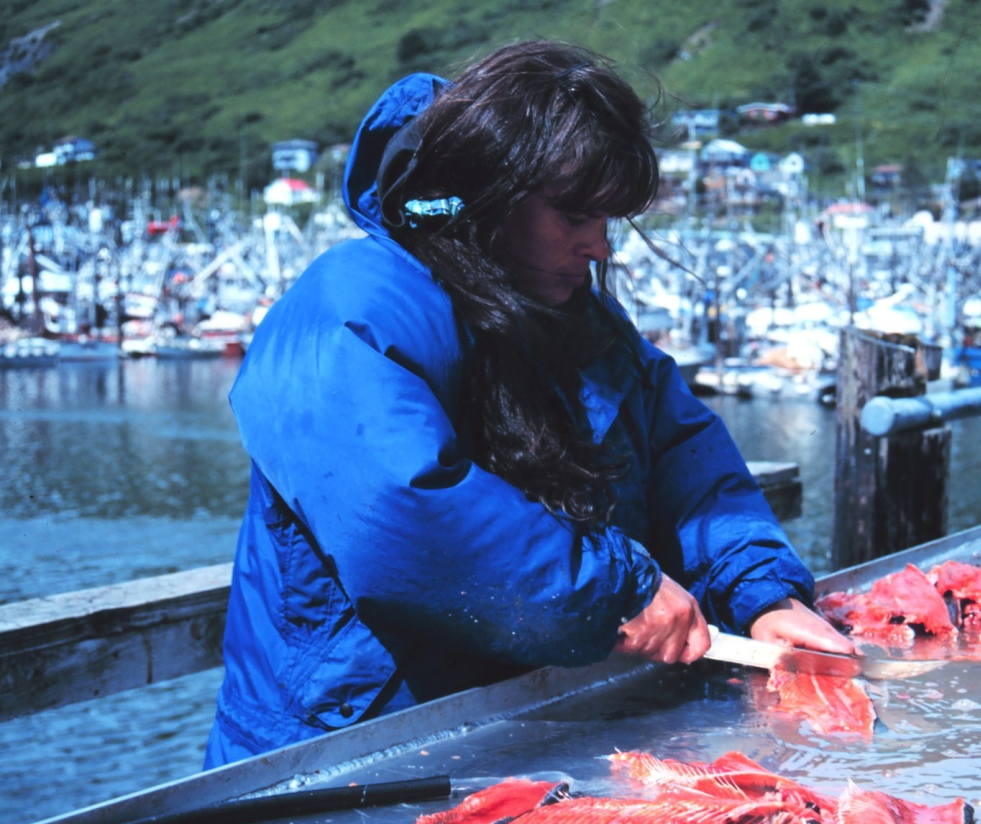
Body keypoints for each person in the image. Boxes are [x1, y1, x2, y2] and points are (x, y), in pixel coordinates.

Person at [204, 41, 854, 768]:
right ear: (490, 191)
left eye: (610, 219)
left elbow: (689, 468)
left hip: (533, 741)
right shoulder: (350, 307)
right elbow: (404, 509)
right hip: (338, 759)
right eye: (576, 214)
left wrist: (764, 597)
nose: (599, 247)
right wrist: (620, 595)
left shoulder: (585, 322)